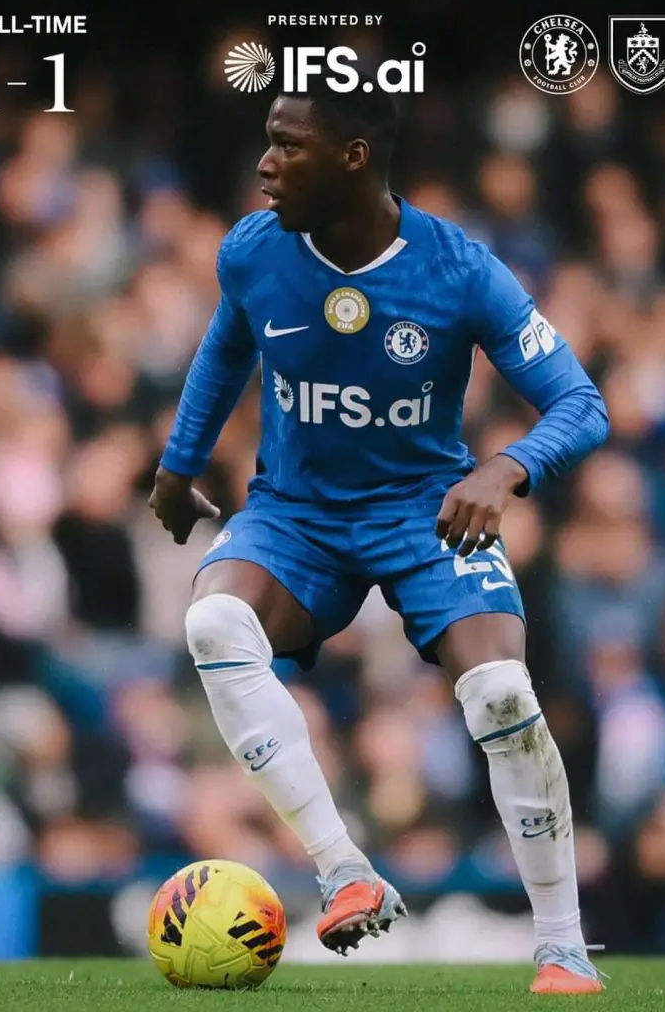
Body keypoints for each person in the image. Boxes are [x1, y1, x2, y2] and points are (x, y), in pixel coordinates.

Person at [148, 74, 610, 994]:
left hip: (425, 510)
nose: (264, 164)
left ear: (354, 157)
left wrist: (503, 468)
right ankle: (343, 870)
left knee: (500, 696)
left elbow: (581, 403)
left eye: (288, 145)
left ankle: (560, 944)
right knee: (212, 625)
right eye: (267, 141)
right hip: (296, 515)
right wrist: (178, 461)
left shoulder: (459, 269)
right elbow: (226, 346)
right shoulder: (252, 252)